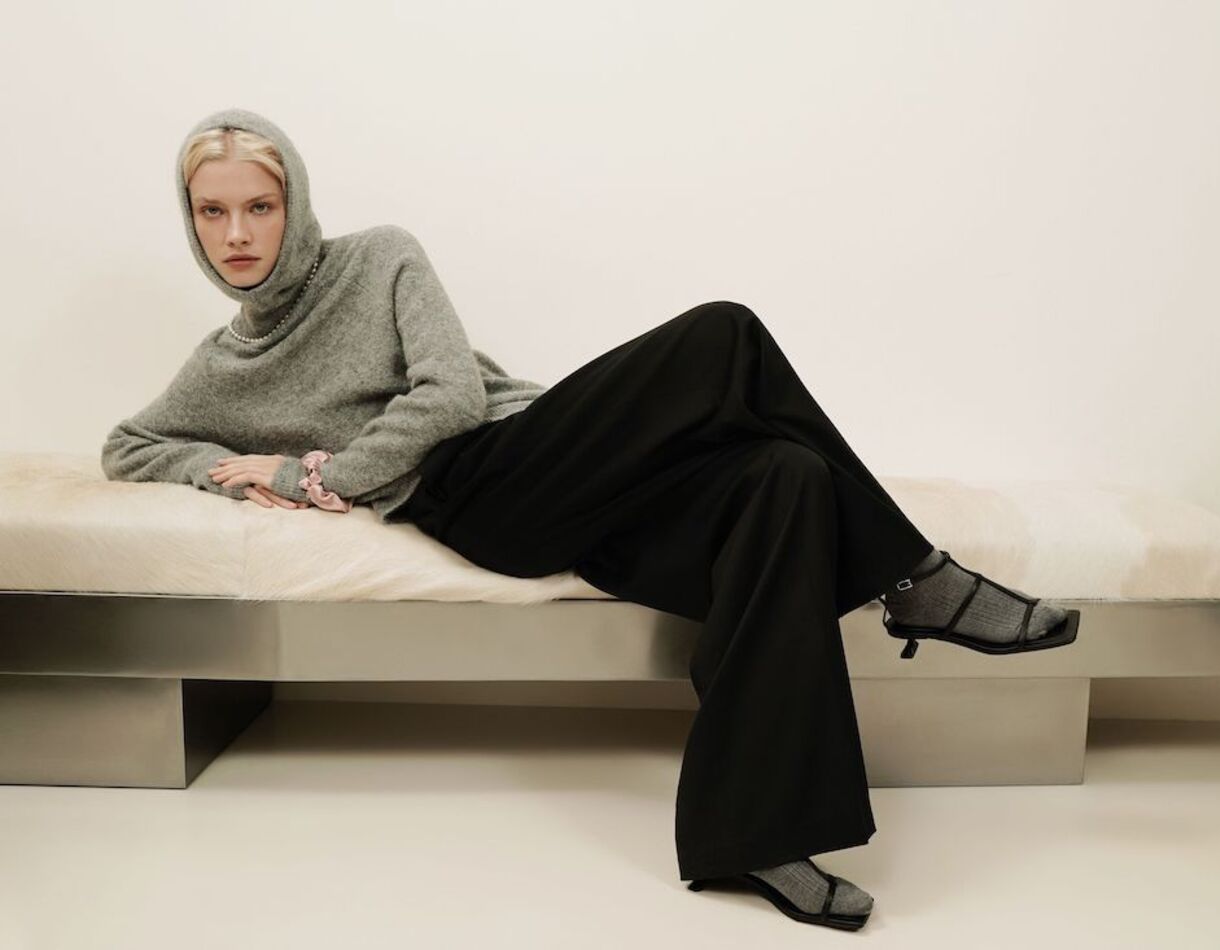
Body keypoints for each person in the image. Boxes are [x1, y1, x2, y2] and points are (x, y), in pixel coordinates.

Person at [101, 107, 1080, 931]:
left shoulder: (381, 258)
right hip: (479, 502)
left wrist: (321, 471)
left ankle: (756, 836)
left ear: (295, 203)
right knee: (725, 332)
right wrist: (257, 474)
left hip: (527, 449)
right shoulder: (222, 367)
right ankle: (912, 579)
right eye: (213, 211)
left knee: (785, 477)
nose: (239, 233)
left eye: (260, 206)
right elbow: (130, 445)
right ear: (191, 224)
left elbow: (450, 396)